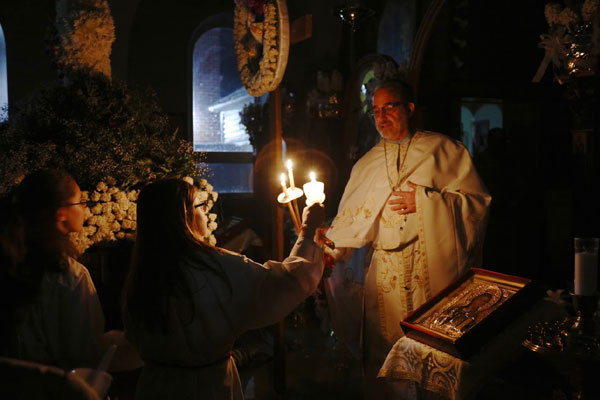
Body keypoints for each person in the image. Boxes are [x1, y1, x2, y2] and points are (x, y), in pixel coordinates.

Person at [325, 79, 491, 398]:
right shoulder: (366, 164)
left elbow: (477, 205)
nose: (382, 116)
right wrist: (330, 244)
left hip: (431, 272)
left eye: (390, 107)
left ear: (409, 109)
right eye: (375, 110)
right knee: (385, 356)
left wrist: (428, 202)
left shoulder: (444, 150)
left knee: (434, 357)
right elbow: (351, 221)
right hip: (384, 275)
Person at [122, 178, 325, 399]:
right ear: (185, 217)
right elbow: (285, 283)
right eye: (200, 205)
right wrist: (307, 230)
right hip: (210, 386)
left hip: (157, 386)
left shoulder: (142, 273)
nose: (205, 212)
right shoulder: (217, 268)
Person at [0, 169, 106, 370]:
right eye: (80, 201)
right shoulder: (70, 275)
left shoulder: (10, 262)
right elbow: (83, 350)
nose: (85, 207)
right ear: (61, 213)